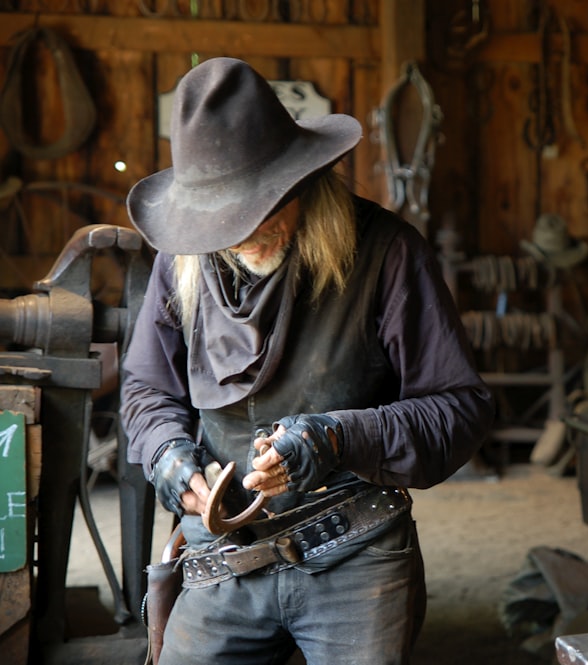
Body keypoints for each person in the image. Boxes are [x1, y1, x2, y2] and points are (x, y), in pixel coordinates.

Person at [120, 57, 494, 665]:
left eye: (258, 208)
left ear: (300, 179)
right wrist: (169, 458)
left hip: (355, 546)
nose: (241, 236)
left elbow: (461, 408)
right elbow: (145, 388)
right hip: (224, 559)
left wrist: (334, 439)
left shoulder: (388, 253)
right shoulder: (181, 263)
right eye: (222, 219)